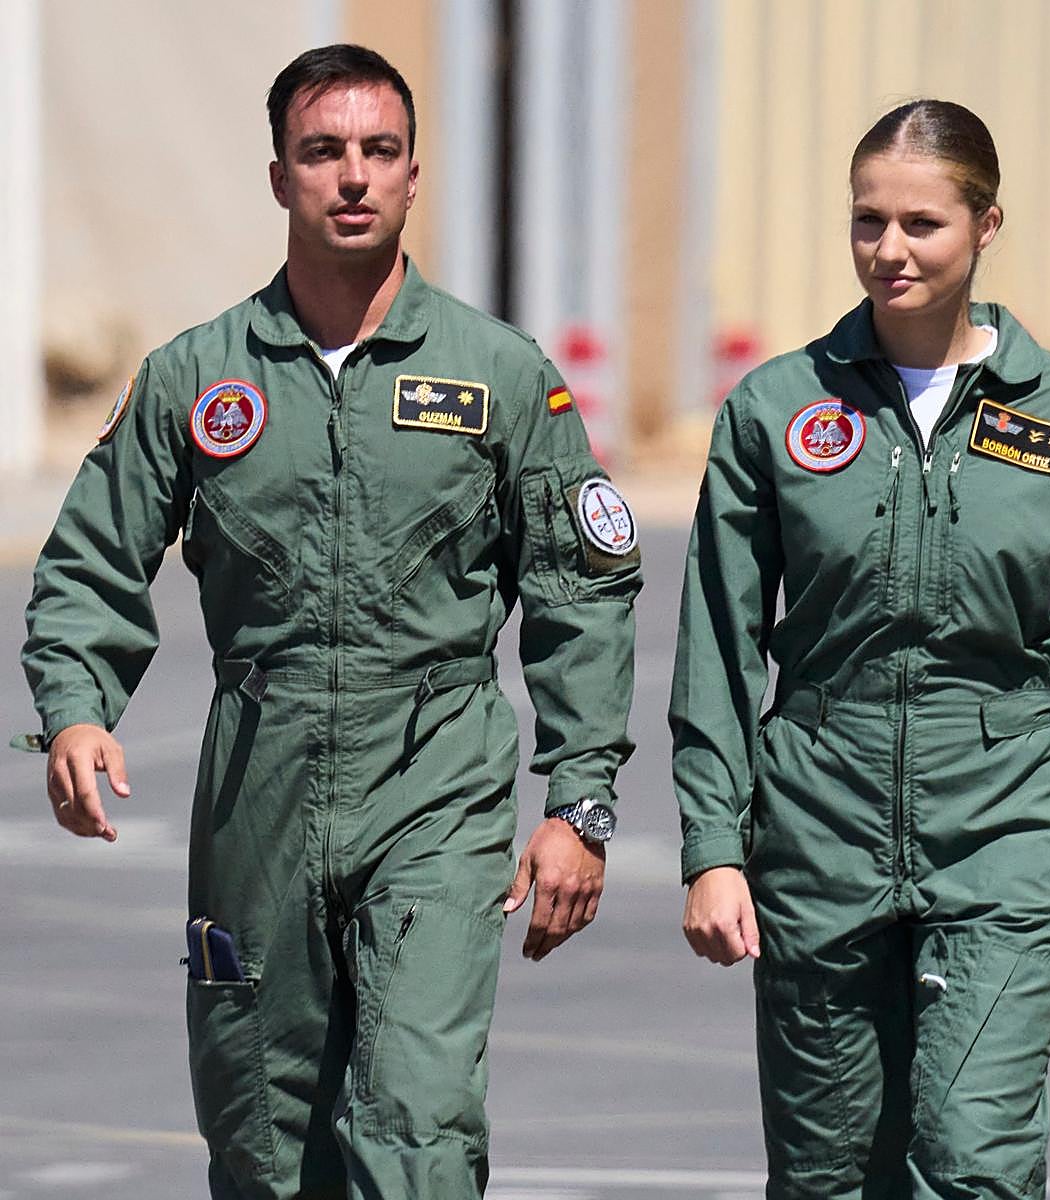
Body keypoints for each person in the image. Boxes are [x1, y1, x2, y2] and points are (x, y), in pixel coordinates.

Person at [21, 44, 641, 1200]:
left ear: (412, 174)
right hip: (258, 790)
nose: (353, 176)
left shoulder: (501, 376)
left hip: (436, 778)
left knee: (418, 1120)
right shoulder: (195, 377)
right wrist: (75, 710)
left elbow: (582, 589)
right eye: (322, 152)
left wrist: (581, 803)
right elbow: (92, 558)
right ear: (279, 177)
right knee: (262, 1134)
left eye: (379, 151)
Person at [670, 99, 1050, 1199]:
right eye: (869, 221)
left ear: (986, 225)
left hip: (1006, 820)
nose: (890, 250)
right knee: (827, 1173)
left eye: (922, 223)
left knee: (973, 1160)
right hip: (820, 827)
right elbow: (718, 643)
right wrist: (714, 846)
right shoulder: (776, 410)